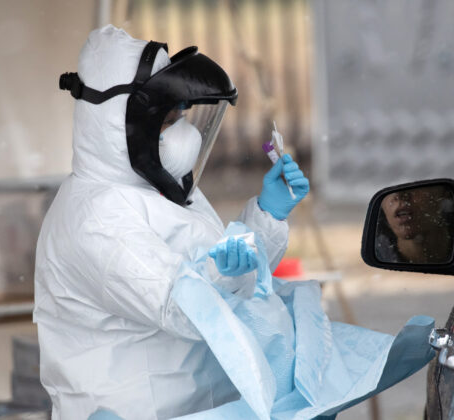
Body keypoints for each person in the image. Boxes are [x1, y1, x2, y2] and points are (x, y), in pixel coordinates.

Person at [33, 25, 309, 420]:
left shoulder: (162, 190)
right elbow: (187, 309)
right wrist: (229, 268)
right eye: (166, 123)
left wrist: (266, 217)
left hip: (203, 406)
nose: (184, 136)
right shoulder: (95, 218)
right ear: (117, 125)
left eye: (182, 117)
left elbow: (233, 280)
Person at [375, 186, 454, 264]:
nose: (399, 195)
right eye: (387, 186)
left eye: (418, 183)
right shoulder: (376, 253)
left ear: (445, 195)